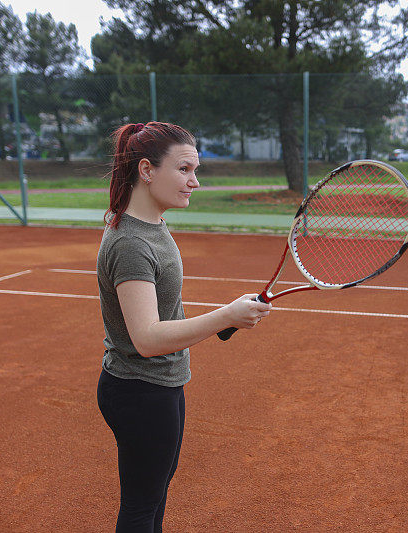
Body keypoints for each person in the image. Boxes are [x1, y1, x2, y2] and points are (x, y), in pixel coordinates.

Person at [96, 121, 271, 532]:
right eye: (184, 170)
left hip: (159, 384)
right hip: (141, 390)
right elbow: (147, 338)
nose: (194, 182)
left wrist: (223, 318)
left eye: (196, 171)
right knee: (142, 507)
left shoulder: (151, 224)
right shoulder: (131, 243)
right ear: (146, 170)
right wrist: (224, 317)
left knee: (153, 499)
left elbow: (163, 312)